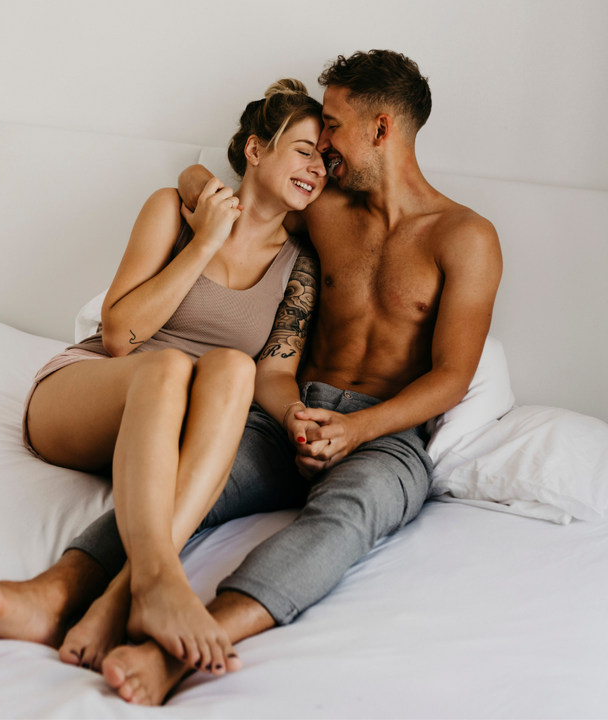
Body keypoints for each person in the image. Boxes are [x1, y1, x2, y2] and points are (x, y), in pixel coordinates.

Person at [92, 49, 503, 705]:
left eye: (333, 125)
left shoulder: (464, 236)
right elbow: (200, 173)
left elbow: (453, 377)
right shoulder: (324, 209)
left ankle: (183, 649)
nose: (323, 147)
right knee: (188, 475)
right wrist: (295, 416)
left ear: (381, 128)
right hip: (292, 411)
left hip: (385, 433)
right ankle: (67, 587)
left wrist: (358, 427)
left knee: (347, 517)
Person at [0, 79, 328, 678]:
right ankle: (160, 579)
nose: (316, 167)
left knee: (232, 367)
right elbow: (120, 335)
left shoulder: (300, 263)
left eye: (325, 158)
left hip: (163, 429)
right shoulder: (173, 208)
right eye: (304, 149)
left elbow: (273, 373)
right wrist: (206, 242)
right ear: (254, 150)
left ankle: (119, 597)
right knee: (169, 364)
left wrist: (294, 414)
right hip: (88, 393)